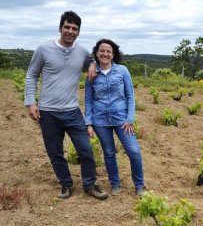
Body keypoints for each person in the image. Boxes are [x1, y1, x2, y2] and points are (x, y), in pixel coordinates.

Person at [24, 11, 108, 200]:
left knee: (85, 150)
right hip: (47, 112)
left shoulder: (82, 52)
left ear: (78, 32)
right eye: (67, 27)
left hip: (72, 111)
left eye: (74, 29)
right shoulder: (43, 49)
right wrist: (31, 102)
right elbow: (31, 75)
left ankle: (89, 184)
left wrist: (93, 64)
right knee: (55, 152)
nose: (70, 31)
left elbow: (92, 62)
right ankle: (66, 184)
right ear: (60, 28)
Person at [84, 39, 146, 197]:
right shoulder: (92, 74)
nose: (105, 54)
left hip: (122, 120)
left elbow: (130, 96)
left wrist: (130, 119)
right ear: (97, 53)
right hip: (100, 121)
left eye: (108, 51)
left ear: (113, 54)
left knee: (134, 151)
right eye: (102, 51)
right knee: (109, 152)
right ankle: (115, 184)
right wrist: (89, 123)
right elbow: (88, 100)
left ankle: (139, 185)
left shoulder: (122, 71)